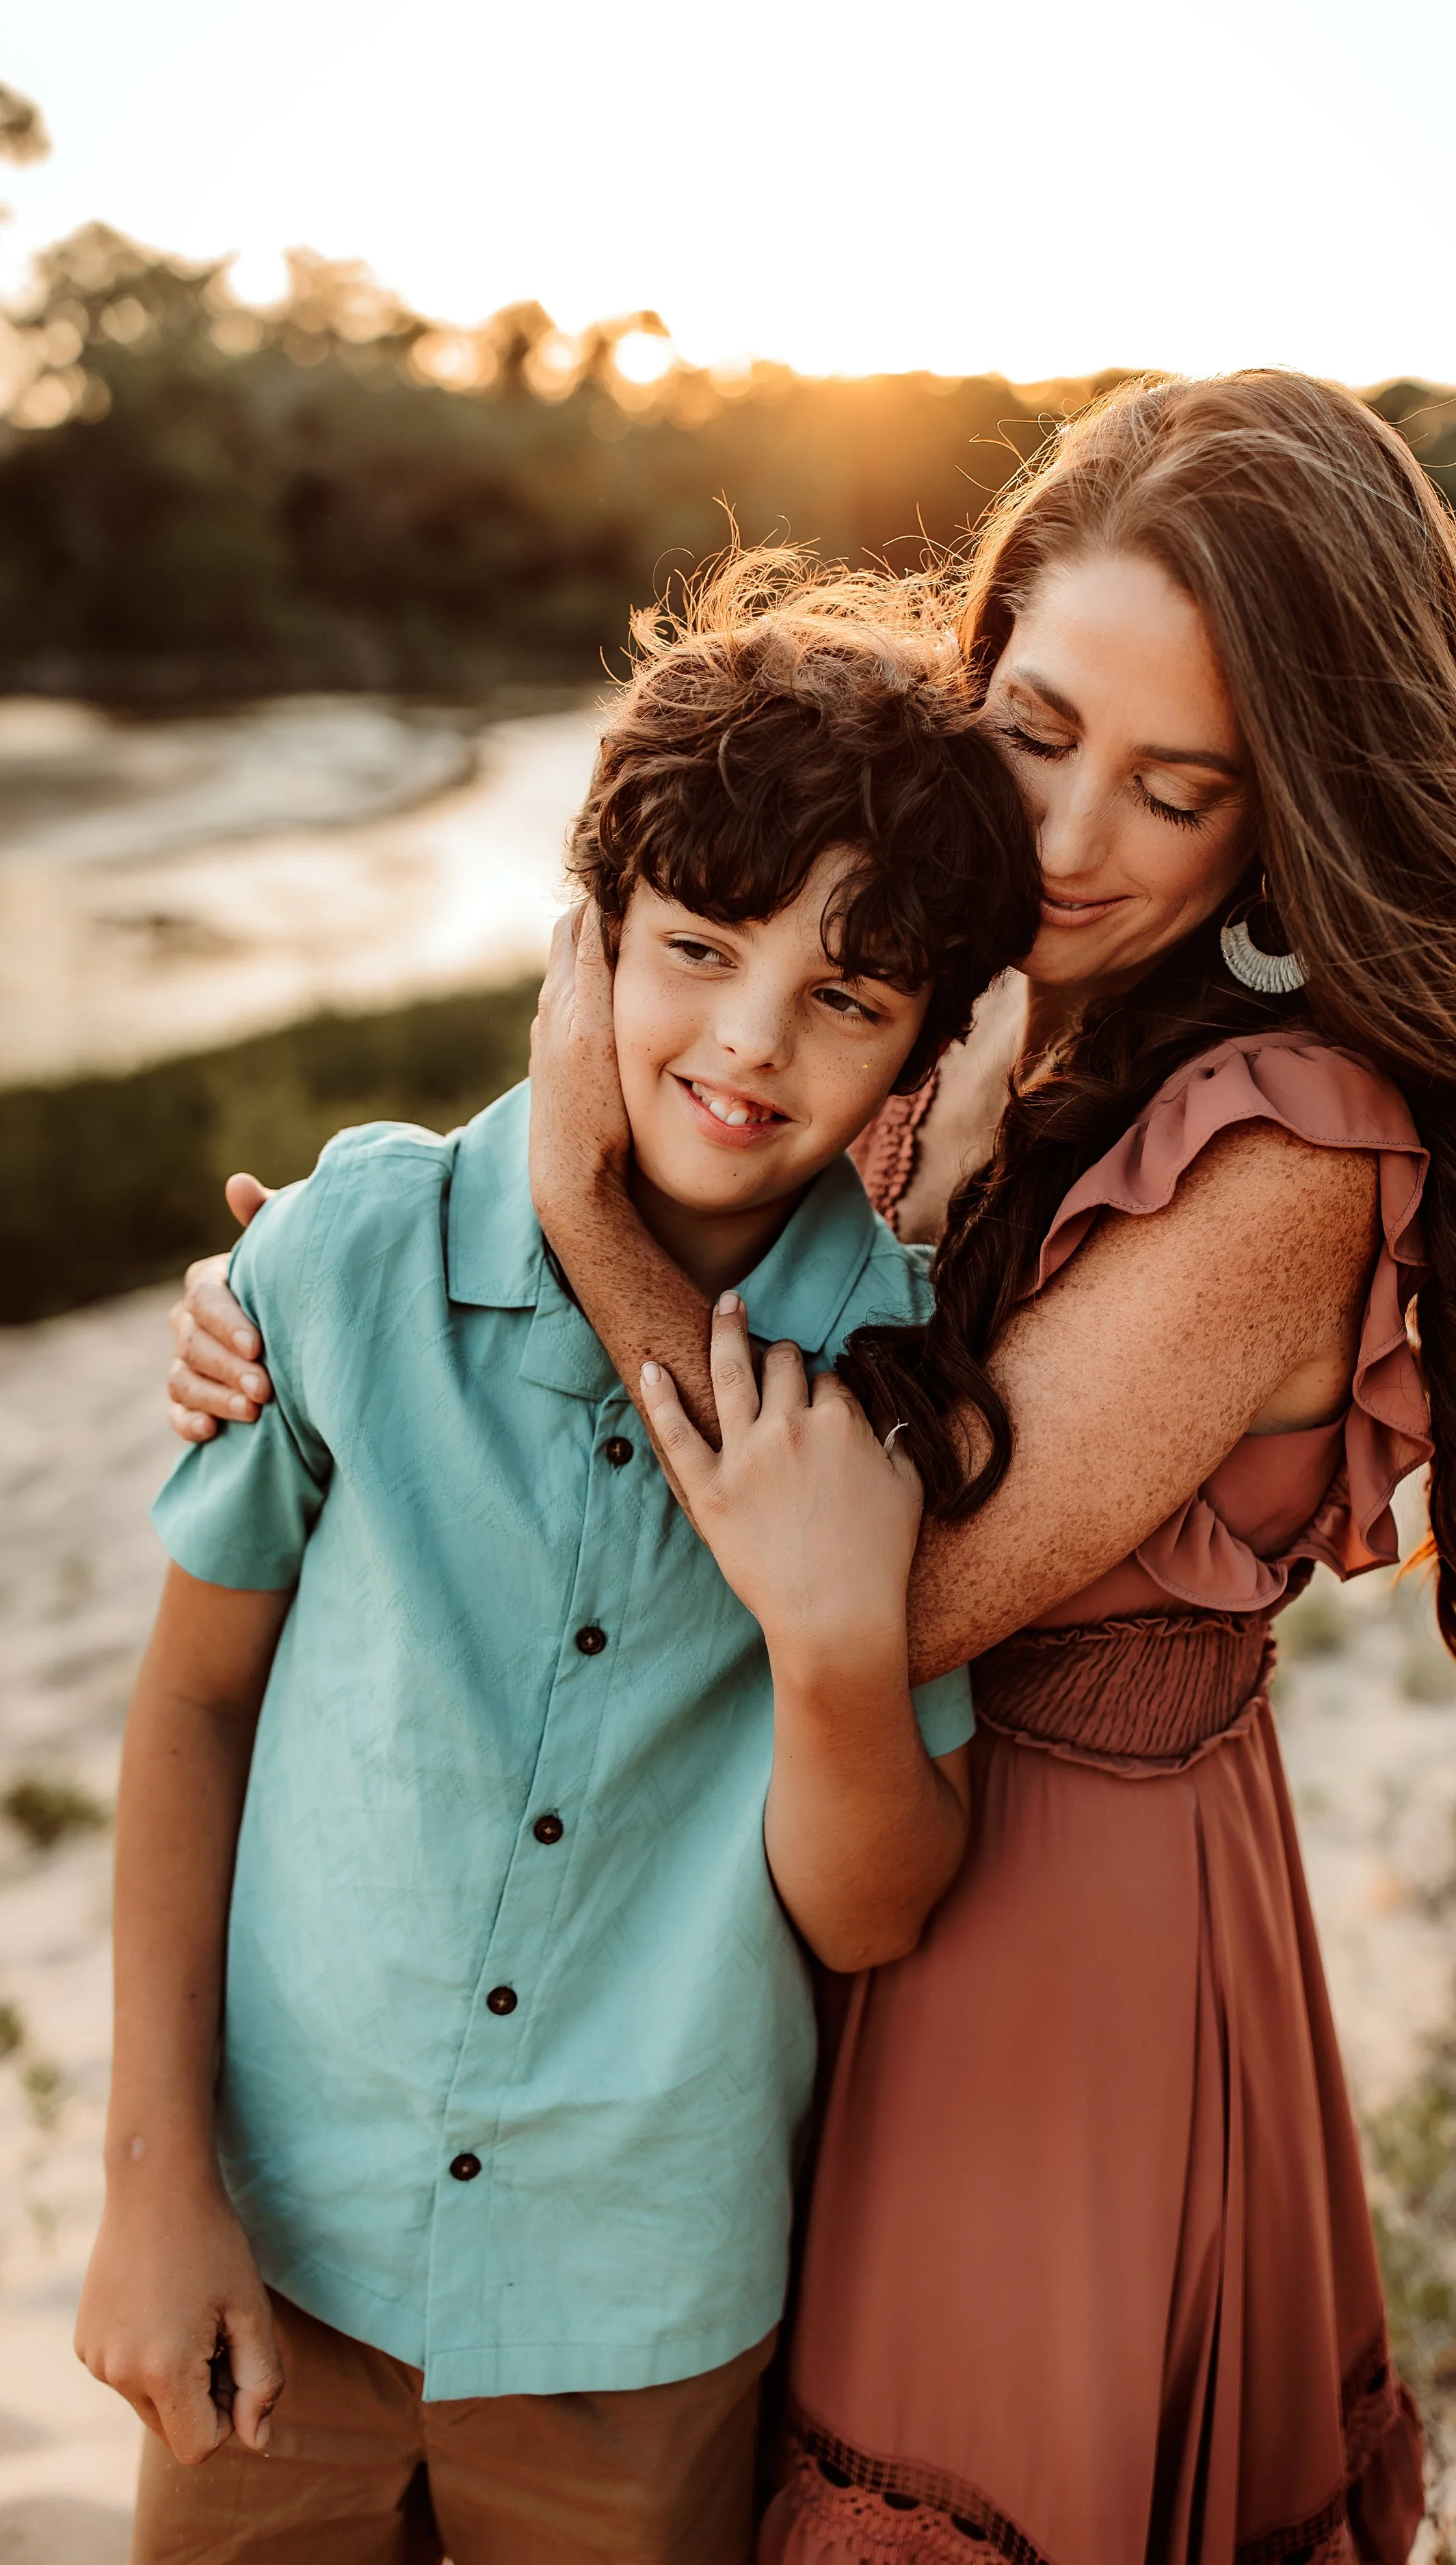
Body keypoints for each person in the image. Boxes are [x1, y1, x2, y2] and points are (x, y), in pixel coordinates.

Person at [170, 371, 1456, 2564]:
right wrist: (329, 1273)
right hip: (744, 1909)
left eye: (1178, 789)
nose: (1069, 838)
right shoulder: (966, 1013)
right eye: (1033, 733)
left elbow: (876, 1584)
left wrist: (566, 1212)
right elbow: (707, 1129)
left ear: (1283, 811)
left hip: (1047, 1941)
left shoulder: (1282, 1155)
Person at [77, 566, 1042, 2565]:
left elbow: (869, 1913)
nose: (749, 1044)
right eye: (694, 946)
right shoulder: (339, 1265)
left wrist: (831, 1637)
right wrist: (154, 2185)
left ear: (920, 1059)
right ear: (580, 938)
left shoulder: (896, 1394)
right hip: (284, 2248)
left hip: (645, 2310)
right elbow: (187, 1707)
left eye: (844, 999)